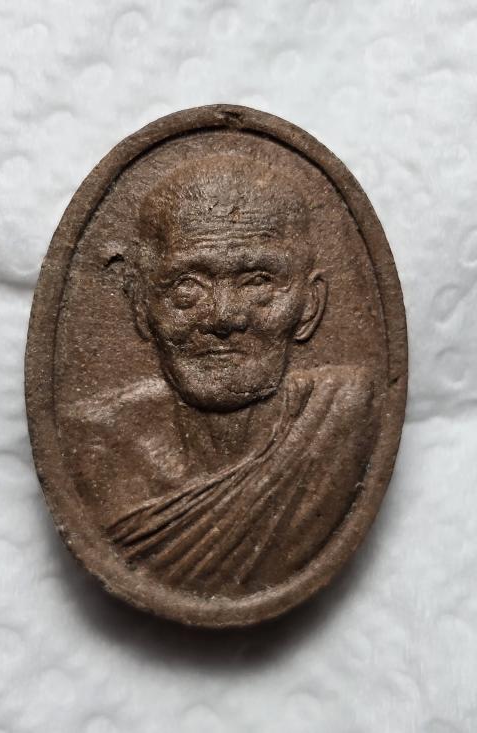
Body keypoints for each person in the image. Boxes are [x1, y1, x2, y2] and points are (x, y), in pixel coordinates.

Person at [67, 153, 375, 596]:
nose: (224, 316)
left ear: (309, 306)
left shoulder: (349, 419)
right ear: (140, 306)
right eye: (187, 286)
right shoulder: (94, 450)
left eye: (258, 282)